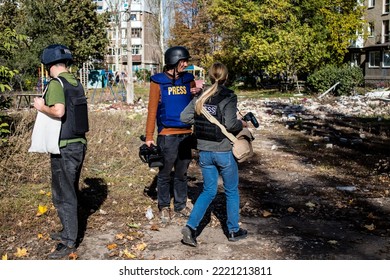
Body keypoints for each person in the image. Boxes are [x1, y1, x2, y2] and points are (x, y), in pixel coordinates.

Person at [179, 62, 248, 247]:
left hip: (204, 152)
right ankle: (233, 230)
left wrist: (202, 118)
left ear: (210, 77)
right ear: (226, 77)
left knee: (209, 190)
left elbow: (184, 118)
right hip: (224, 151)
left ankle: (191, 227)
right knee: (231, 191)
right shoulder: (229, 96)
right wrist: (243, 124)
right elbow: (232, 124)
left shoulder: (201, 96)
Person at [33, 44, 89, 258]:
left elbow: (58, 111)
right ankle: (69, 231)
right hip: (78, 144)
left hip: (64, 147)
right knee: (70, 190)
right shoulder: (75, 82)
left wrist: (41, 106)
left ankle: (69, 242)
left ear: (48, 65)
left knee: (63, 194)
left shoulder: (56, 83)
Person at [145, 46, 201, 224]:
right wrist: (149, 136)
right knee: (165, 173)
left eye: (186, 61)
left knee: (182, 173)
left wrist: (197, 94)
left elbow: (194, 104)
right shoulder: (158, 81)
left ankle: (180, 204)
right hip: (167, 134)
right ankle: (163, 206)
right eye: (183, 61)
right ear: (173, 61)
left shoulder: (188, 79)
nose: (186, 64)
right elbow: (152, 109)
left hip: (185, 133)